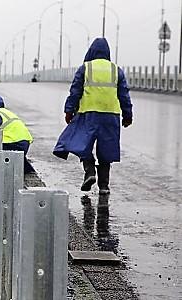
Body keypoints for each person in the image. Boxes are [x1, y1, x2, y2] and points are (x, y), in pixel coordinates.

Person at [53, 38, 133, 195]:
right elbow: (124, 94)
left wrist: (69, 110)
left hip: (88, 114)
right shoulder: (116, 70)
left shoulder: (86, 68)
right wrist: (128, 115)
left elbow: (75, 91)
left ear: (91, 52)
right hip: (111, 116)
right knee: (106, 150)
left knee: (82, 143)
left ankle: (89, 171)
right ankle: (104, 186)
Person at [0, 95, 35, 174]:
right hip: (24, 142)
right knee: (17, 158)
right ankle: (27, 170)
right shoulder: (6, 112)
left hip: (15, 142)